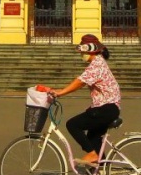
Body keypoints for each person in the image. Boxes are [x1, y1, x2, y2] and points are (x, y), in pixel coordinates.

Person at [48, 34, 121, 166]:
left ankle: (93, 154)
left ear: (91, 51)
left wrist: (61, 92)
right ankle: (102, 174)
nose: (81, 54)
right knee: (93, 138)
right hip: (108, 108)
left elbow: (80, 82)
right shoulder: (98, 62)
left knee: (73, 125)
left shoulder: (97, 64)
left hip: (106, 109)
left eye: (83, 52)